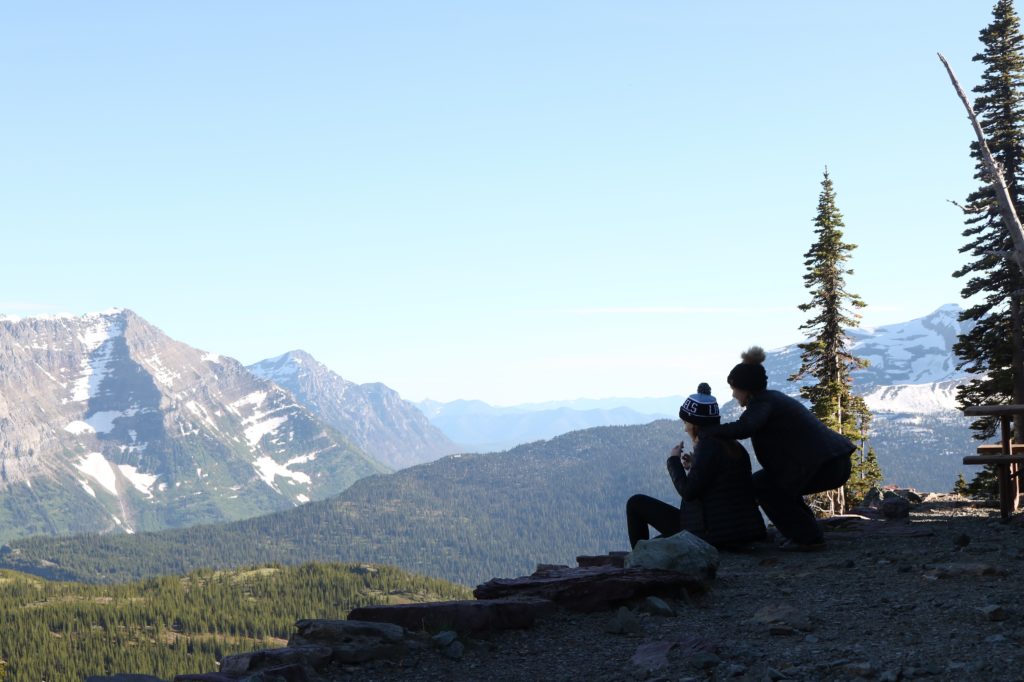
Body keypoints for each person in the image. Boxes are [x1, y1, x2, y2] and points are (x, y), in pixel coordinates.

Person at [702, 346, 855, 551]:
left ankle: (807, 538)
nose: (733, 394)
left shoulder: (763, 403)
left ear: (746, 389)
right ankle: (805, 532)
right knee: (771, 484)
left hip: (827, 465)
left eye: (735, 388)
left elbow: (746, 427)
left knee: (765, 486)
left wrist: (710, 431)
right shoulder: (771, 398)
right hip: (831, 462)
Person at [626, 383, 766, 549]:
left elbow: (688, 492)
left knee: (636, 503)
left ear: (694, 424)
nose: (685, 429)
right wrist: (694, 464)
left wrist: (673, 461)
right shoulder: (732, 445)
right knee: (660, 539)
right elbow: (720, 483)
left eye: (685, 423)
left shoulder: (707, 447)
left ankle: (638, 560)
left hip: (711, 534)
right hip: (743, 529)